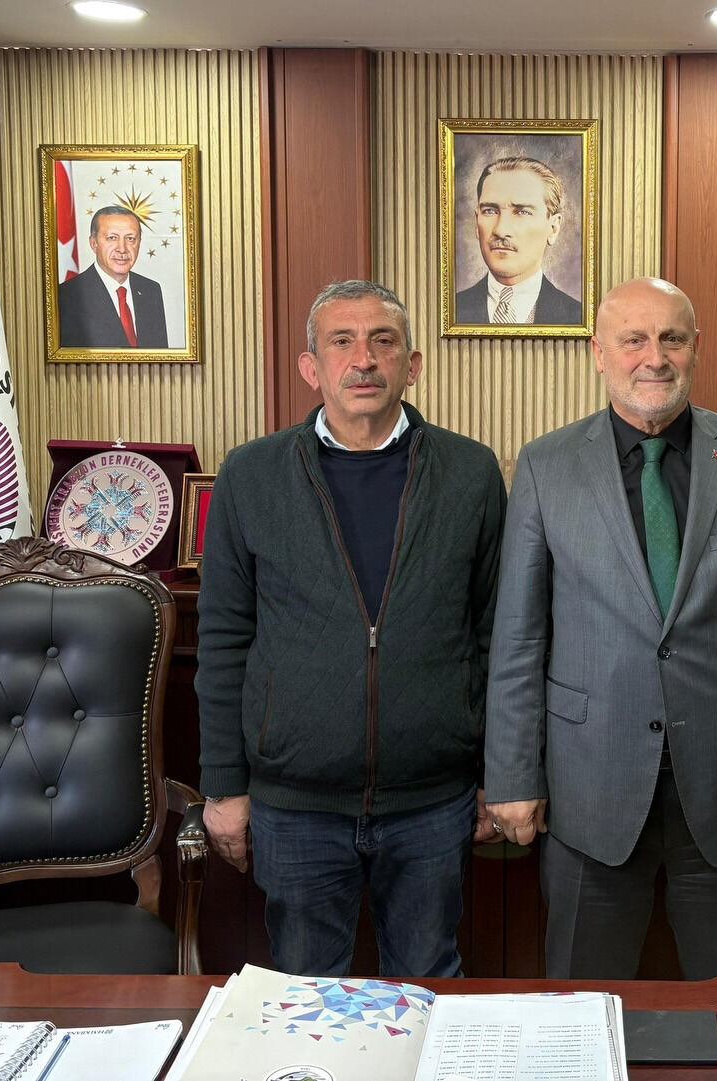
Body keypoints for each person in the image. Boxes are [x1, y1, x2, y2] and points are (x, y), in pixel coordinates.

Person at [484, 276, 717, 978]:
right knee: (581, 1006)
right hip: (588, 790)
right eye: (633, 339)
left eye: (672, 338)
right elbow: (518, 637)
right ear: (598, 352)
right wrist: (512, 776)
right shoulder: (546, 465)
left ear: (696, 347)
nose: (655, 357)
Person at [195, 279, 506, 977]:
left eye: (382, 341)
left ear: (412, 364)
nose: (363, 359)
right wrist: (223, 786)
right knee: (306, 1004)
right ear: (311, 367)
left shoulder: (470, 473)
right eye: (342, 342)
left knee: (429, 989)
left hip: (433, 801)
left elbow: (493, 634)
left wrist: (496, 773)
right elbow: (222, 639)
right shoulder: (251, 474)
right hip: (294, 805)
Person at [454, 156, 582, 324]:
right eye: (490, 211)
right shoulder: (448, 312)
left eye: (522, 212)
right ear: (477, 222)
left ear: (553, 228)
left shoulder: (579, 319)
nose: (501, 230)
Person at [57, 205, 169, 348]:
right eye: (112, 238)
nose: (122, 249)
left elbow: (160, 356)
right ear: (93, 243)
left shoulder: (150, 290)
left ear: (139, 243)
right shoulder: (68, 296)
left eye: (130, 239)